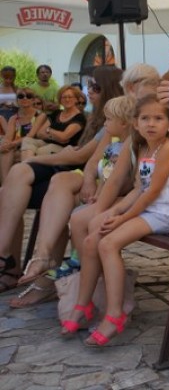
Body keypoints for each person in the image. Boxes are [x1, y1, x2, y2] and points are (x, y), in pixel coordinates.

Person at [61, 94, 169, 346]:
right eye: (145, 118)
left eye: (158, 118)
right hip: (148, 210)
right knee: (91, 240)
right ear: (136, 124)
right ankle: (83, 305)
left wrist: (123, 218)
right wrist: (114, 212)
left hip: (165, 214)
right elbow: (139, 188)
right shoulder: (143, 148)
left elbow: (152, 193)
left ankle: (114, 314)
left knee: (108, 244)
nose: (151, 124)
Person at [0, 65, 123, 299]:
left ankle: (22, 264)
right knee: (14, 179)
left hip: (76, 173)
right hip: (71, 169)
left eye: (95, 87)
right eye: (88, 86)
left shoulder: (111, 119)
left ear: (109, 89)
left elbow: (80, 156)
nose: (89, 91)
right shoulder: (95, 115)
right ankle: (5, 256)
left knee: (38, 185)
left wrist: (35, 158)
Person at [17, 95, 134, 287]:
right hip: (105, 193)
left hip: (119, 197)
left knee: (81, 216)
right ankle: (72, 262)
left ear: (123, 123)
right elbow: (105, 176)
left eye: (108, 120)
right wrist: (97, 192)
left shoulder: (127, 147)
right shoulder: (112, 146)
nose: (105, 124)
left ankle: (84, 266)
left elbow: (120, 181)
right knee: (74, 206)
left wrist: (100, 200)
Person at [19, 86, 86, 159]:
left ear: (76, 99)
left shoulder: (79, 117)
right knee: (27, 140)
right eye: (64, 97)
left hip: (64, 149)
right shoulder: (57, 113)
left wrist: (49, 130)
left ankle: (26, 164)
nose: (67, 99)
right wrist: (55, 136)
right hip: (47, 143)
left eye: (70, 97)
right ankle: (26, 164)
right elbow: (40, 133)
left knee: (41, 151)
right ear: (60, 100)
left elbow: (64, 137)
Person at [0, 89, 47, 182]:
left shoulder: (40, 115)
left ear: (33, 100)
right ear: (17, 100)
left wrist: (11, 144)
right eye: (21, 96)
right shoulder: (14, 118)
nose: (25, 98)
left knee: (9, 149)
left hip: (33, 145)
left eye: (29, 96)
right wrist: (5, 144)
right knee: (6, 149)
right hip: (17, 146)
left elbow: (31, 135)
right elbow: (8, 137)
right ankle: (5, 184)